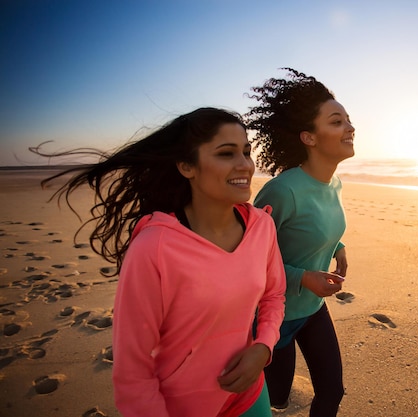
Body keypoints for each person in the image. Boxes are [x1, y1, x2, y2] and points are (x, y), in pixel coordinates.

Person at [32, 108, 286, 417]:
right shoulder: (153, 248)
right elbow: (133, 373)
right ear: (186, 166)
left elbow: (273, 295)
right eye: (226, 153)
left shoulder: (262, 226)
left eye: (246, 151)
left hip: (250, 396)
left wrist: (263, 347)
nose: (245, 164)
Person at [245, 68, 355, 416]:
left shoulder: (334, 184)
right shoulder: (282, 190)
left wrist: (337, 247)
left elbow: (316, 225)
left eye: (348, 120)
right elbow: (248, 256)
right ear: (309, 137)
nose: (350, 128)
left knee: (332, 392)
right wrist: (303, 277)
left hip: (312, 310)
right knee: (274, 397)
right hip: (272, 318)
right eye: (337, 121)